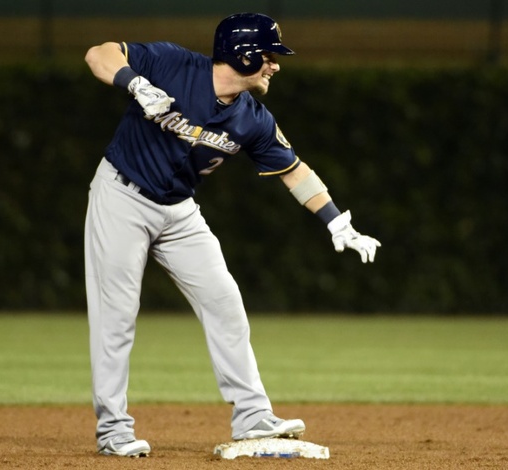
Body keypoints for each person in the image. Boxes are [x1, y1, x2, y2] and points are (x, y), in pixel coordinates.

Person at [83, 12, 381, 457]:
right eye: (268, 55)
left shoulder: (252, 117)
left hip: (179, 210)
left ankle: (252, 415)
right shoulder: (173, 65)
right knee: (117, 315)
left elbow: (294, 171)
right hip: (122, 194)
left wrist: (337, 221)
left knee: (224, 299)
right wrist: (134, 83)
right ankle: (113, 431)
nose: (275, 65)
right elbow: (98, 53)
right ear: (243, 54)